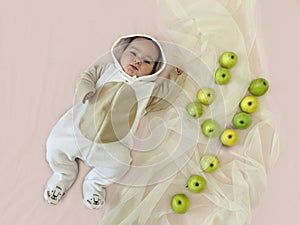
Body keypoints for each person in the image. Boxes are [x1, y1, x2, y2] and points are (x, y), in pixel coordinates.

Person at [44, 34, 186, 209]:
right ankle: (63, 174)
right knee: (55, 144)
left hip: (111, 147)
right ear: (121, 52)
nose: (138, 61)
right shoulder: (106, 71)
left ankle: (94, 183)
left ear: (154, 71)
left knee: (120, 165)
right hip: (77, 131)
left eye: (147, 61)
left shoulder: (147, 90)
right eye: (133, 53)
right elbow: (87, 77)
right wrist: (86, 90)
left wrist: (176, 77)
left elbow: (164, 97)